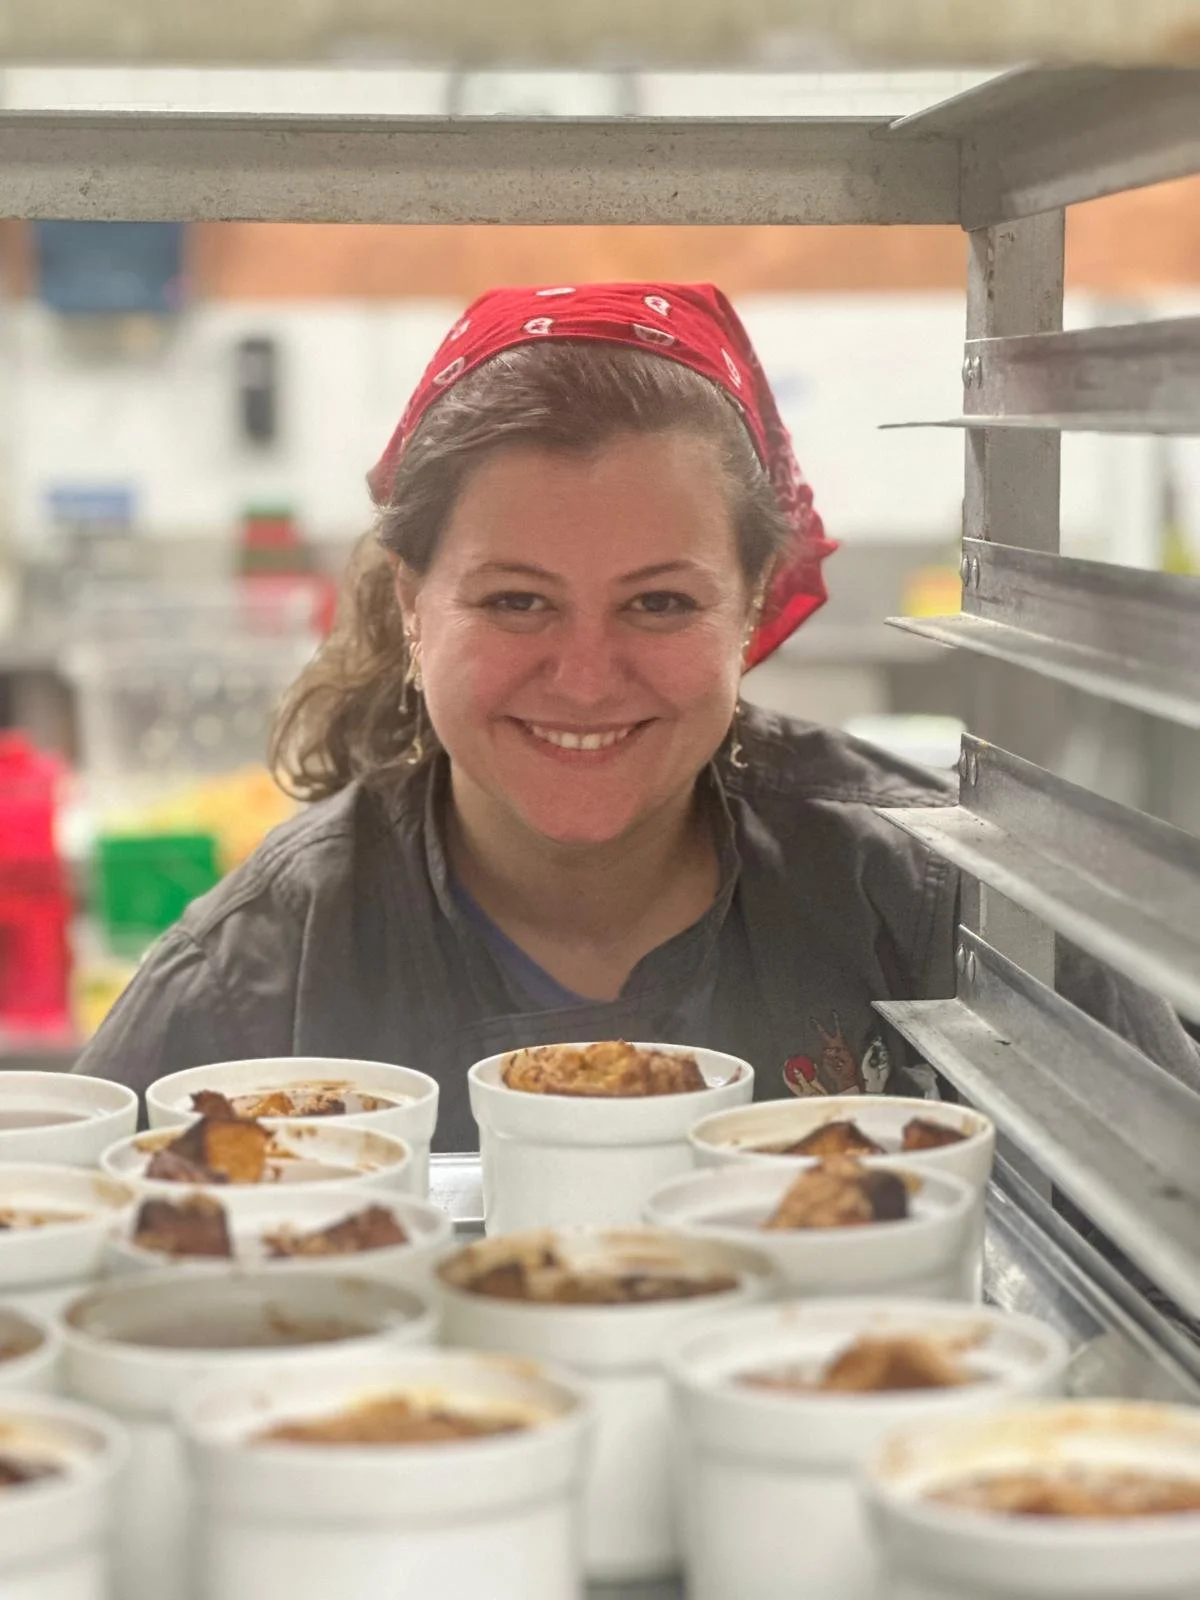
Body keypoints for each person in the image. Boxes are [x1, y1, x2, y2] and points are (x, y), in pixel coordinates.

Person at [76, 282, 1200, 1149]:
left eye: (658, 602)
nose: (584, 674)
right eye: (517, 600)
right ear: (413, 602)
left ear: (754, 601)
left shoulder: (943, 903)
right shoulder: (253, 983)